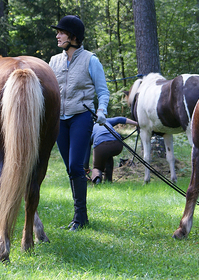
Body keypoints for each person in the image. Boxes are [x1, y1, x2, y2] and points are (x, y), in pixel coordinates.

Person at [49, 15, 110, 231]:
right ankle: (79, 217)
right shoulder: (54, 61)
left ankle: (80, 217)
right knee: (70, 167)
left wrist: (101, 110)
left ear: (73, 37)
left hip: (81, 116)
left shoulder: (91, 60)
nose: (57, 35)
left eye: (61, 32)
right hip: (59, 119)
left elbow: (103, 91)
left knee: (76, 165)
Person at [90, 117, 138, 184]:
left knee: (97, 167)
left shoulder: (89, 128)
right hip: (117, 144)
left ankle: (97, 179)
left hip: (101, 146)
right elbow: (120, 119)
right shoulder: (105, 121)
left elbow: (86, 149)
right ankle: (108, 181)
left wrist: (85, 167)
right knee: (108, 157)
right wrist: (137, 124)